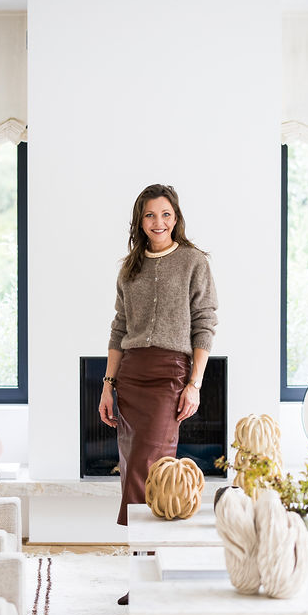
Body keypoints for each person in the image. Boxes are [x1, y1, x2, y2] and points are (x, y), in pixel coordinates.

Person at [99, 183, 218, 533]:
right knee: (132, 467)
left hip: (170, 374)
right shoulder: (129, 268)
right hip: (131, 376)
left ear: (176, 217)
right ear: (140, 221)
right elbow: (119, 328)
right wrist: (108, 386)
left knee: (150, 468)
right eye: (150, 215)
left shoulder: (193, 261)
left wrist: (194, 384)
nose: (158, 221)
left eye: (165, 214)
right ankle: (144, 567)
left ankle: (146, 564)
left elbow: (205, 323)